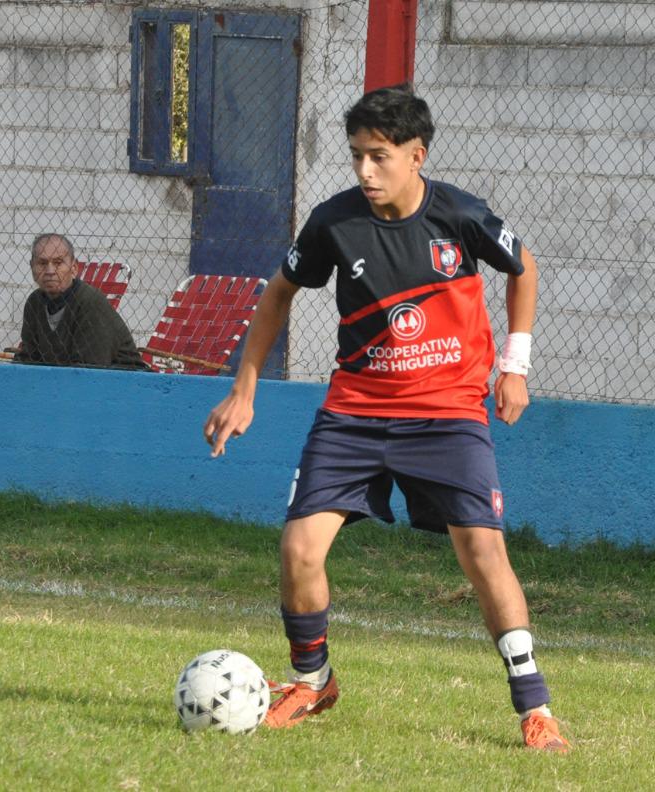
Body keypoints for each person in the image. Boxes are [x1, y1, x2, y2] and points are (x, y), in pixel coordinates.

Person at [202, 85, 569, 752]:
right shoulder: (333, 223)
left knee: (483, 552)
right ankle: (312, 682)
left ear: (416, 155)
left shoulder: (459, 214)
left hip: (448, 415)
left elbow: (524, 268)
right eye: (356, 156)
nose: (365, 171)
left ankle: (534, 707)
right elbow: (279, 292)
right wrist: (245, 389)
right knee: (298, 549)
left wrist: (514, 365)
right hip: (354, 414)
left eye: (379, 157)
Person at [13, 233, 148, 370]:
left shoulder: (90, 302)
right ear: (32, 267)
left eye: (58, 263)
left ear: (74, 268)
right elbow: (27, 358)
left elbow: (88, 370)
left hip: (124, 379)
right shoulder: (34, 302)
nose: (50, 271)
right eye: (42, 263)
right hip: (68, 377)